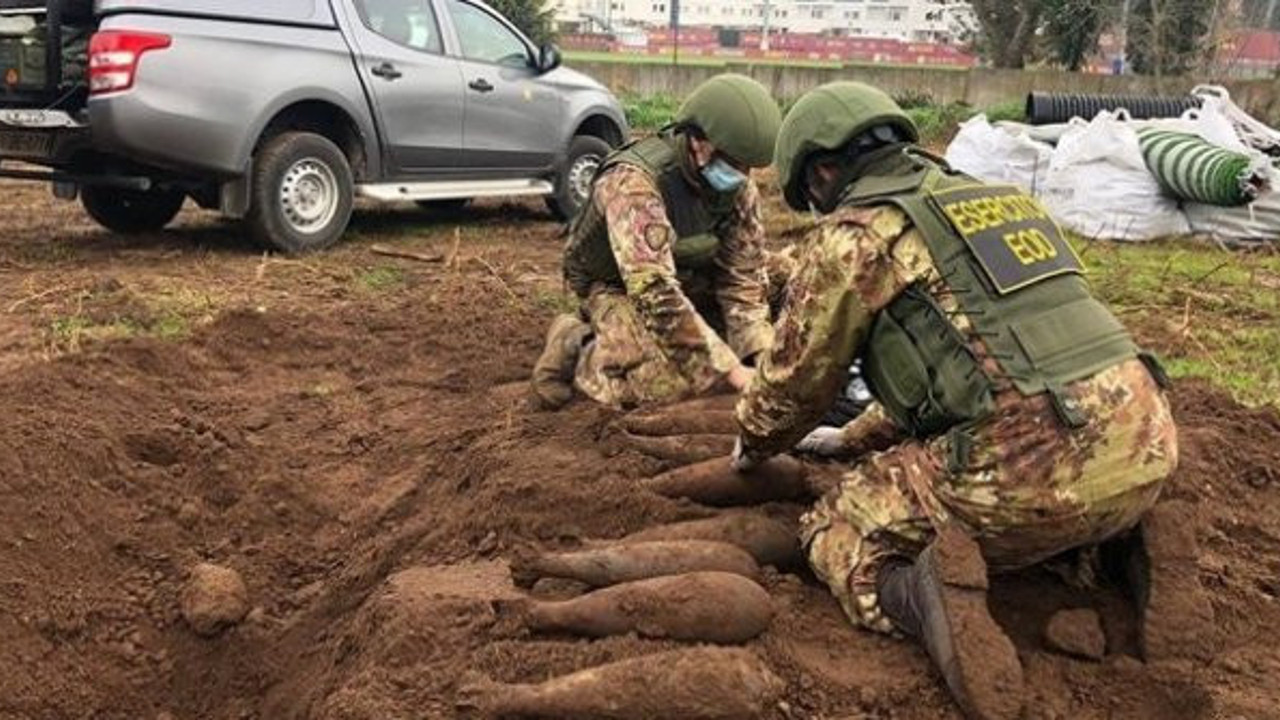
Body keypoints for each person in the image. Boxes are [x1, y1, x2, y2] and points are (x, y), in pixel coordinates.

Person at [731, 82, 1180, 720]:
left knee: (836, 526)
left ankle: (921, 598)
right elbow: (986, 362)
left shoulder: (854, 236)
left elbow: (794, 385)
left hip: (1025, 472)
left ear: (823, 171)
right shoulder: (1001, 202)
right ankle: (1124, 540)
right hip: (1148, 439)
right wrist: (853, 435)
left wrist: (751, 441)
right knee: (1046, 464)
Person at [531, 73, 783, 410]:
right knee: (663, 388)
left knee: (792, 275)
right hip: (616, 285)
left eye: (747, 167)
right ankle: (579, 345)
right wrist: (733, 372)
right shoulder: (633, 184)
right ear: (698, 142)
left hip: (685, 271)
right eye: (734, 163)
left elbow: (744, 275)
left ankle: (710, 339)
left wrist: (758, 352)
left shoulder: (736, 188)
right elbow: (654, 291)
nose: (743, 176)